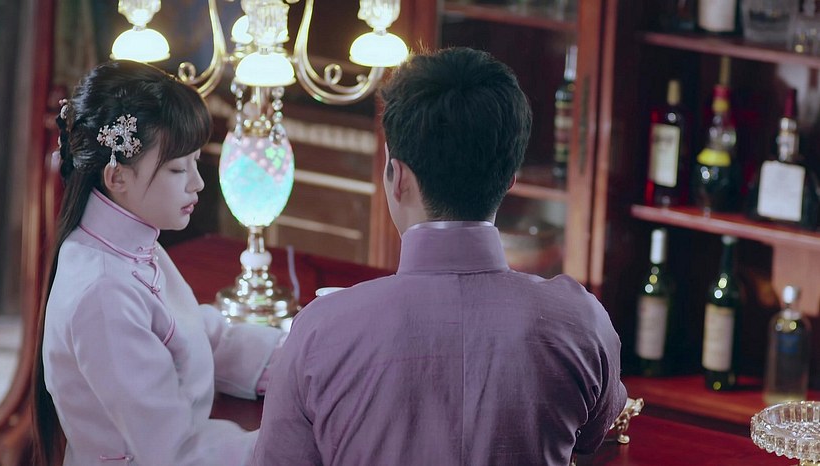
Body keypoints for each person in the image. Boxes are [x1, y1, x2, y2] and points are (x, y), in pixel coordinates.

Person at [252, 47, 628, 466]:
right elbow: (594, 435)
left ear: (399, 177)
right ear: (509, 180)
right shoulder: (581, 323)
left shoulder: (320, 331)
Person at [31, 60, 285, 466]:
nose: (197, 182)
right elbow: (173, 450)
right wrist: (289, 442)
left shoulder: (131, 245)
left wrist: (295, 359)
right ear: (117, 177)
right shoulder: (103, 292)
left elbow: (195, 336)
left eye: (195, 162)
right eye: (177, 168)